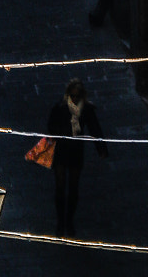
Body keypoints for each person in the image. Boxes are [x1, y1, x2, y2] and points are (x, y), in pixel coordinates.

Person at [45, 78, 107, 235]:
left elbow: (95, 128)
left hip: (75, 151)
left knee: (73, 187)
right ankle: (60, 222)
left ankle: (69, 222)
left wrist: (101, 148)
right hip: (61, 150)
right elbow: (51, 127)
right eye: (72, 96)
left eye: (77, 96)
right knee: (60, 186)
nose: (75, 99)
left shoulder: (86, 109)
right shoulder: (60, 108)